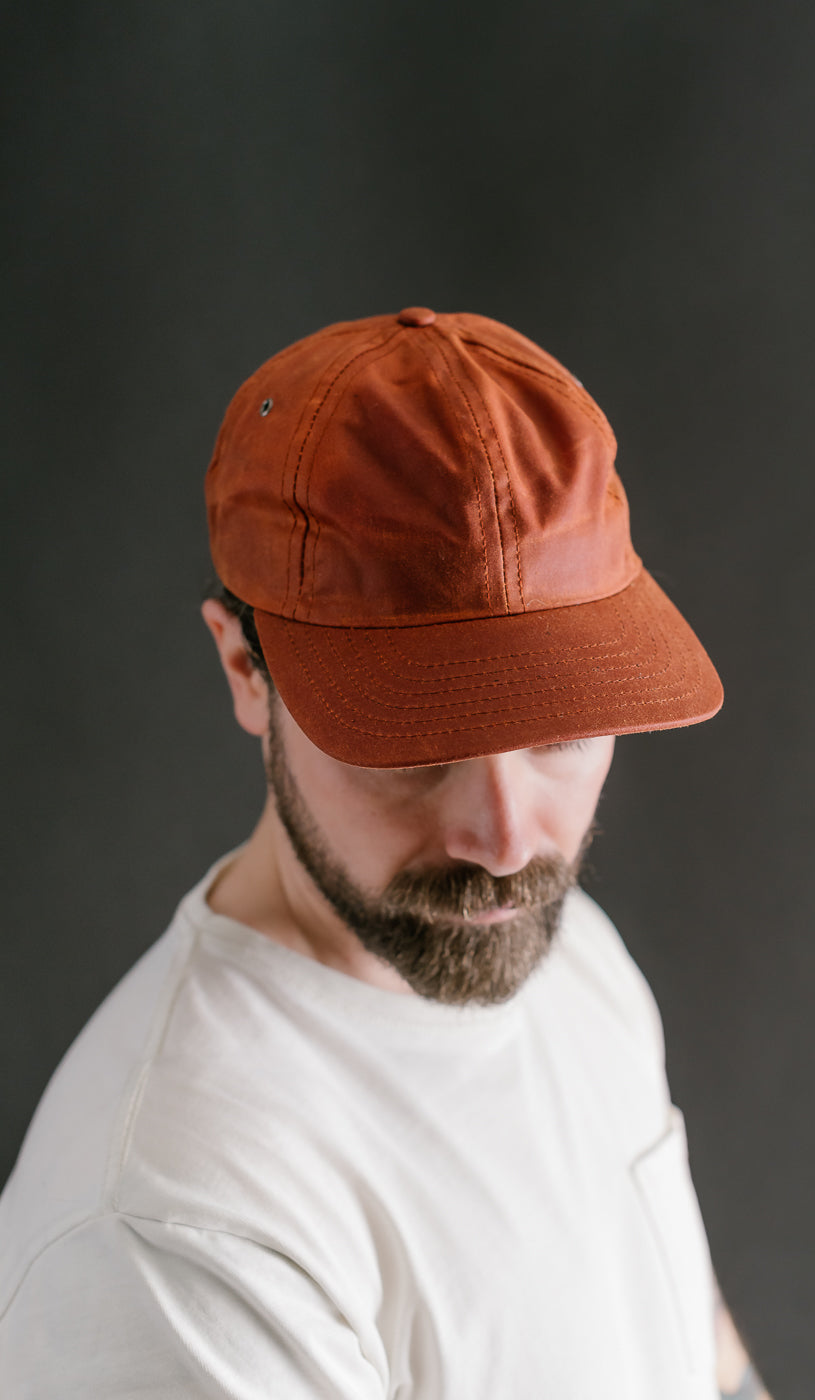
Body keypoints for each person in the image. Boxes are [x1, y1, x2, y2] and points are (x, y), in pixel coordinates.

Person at [0, 307, 770, 1398]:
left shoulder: (576, 962)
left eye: (560, 729)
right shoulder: (177, 1231)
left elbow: (695, 1346)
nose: (506, 841)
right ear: (243, 668)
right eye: (412, 745)